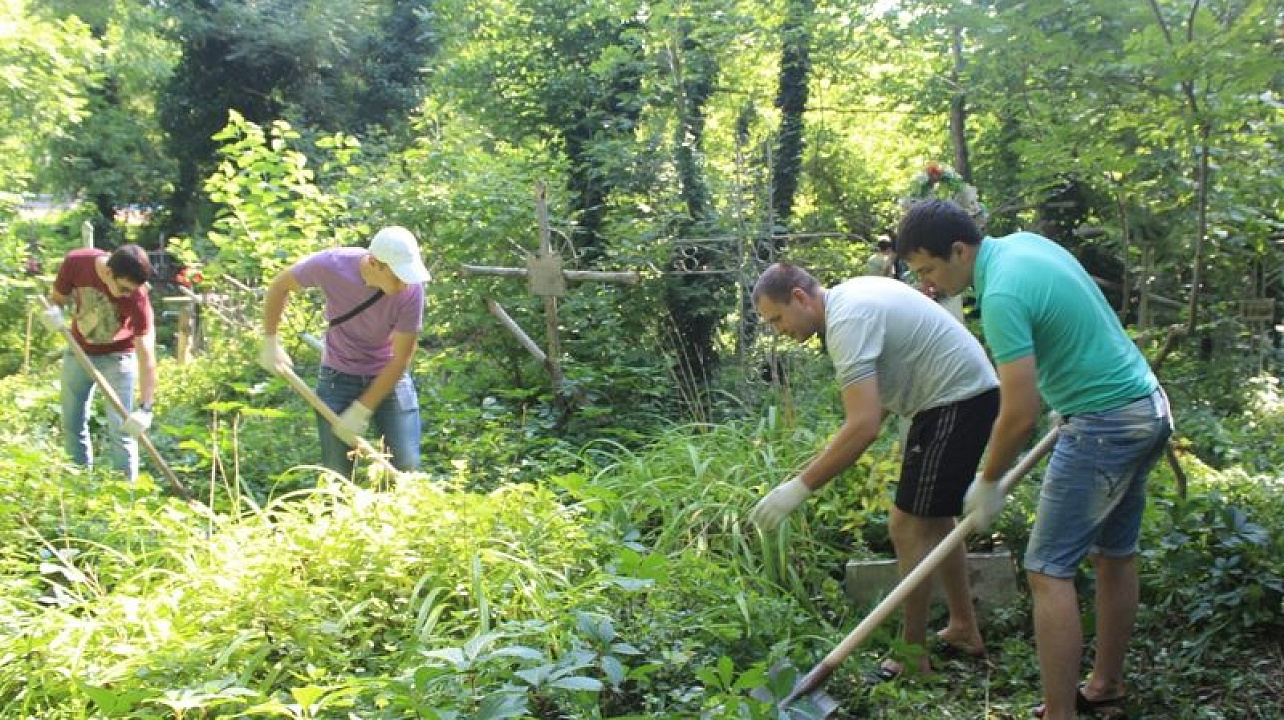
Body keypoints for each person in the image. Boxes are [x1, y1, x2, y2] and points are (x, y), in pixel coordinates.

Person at [896, 199, 1172, 720]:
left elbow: (1019, 413)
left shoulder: (1001, 293)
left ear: (959, 250)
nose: (927, 283)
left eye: (929, 269)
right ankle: (1105, 685)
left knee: (1047, 571)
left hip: (1105, 425)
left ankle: (1061, 713)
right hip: (1145, 407)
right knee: (1114, 555)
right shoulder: (1024, 246)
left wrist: (988, 480)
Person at [749, 262, 999, 678]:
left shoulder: (847, 320)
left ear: (799, 297)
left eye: (777, 319)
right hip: (959, 398)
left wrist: (799, 488)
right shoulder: (851, 300)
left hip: (955, 401)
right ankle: (963, 627)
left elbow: (863, 426)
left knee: (906, 525)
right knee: (935, 519)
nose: (778, 331)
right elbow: (876, 407)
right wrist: (826, 457)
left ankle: (912, 655)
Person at [259, 226, 430, 475]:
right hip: (337, 377)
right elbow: (279, 286)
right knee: (337, 473)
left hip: (389, 376)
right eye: (398, 276)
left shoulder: (412, 291)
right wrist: (271, 341)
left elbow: (401, 358)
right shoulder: (331, 265)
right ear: (374, 263)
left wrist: (361, 409)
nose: (404, 284)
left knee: (406, 465)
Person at [40, 244, 157, 481]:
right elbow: (57, 300)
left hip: (118, 358)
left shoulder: (137, 296)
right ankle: (79, 483)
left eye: (132, 290)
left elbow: (146, 354)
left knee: (123, 429)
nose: (127, 295)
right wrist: (53, 313)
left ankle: (125, 493)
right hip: (79, 352)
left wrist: (145, 409)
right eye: (123, 288)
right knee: (72, 423)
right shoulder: (76, 262)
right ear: (107, 272)